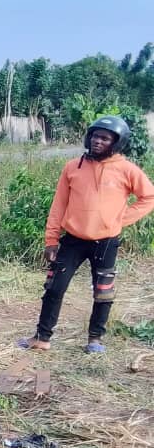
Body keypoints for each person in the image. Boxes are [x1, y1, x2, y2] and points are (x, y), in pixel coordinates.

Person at [18, 116, 154, 353]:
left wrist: (119, 220)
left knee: (103, 292)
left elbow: (148, 197)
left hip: (106, 242)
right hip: (73, 240)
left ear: (116, 143)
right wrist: (51, 240)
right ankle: (42, 338)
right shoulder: (73, 167)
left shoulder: (126, 170)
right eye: (95, 136)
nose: (97, 141)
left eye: (105, 138)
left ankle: (95, 339)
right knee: (54, 287)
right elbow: (59, 205)